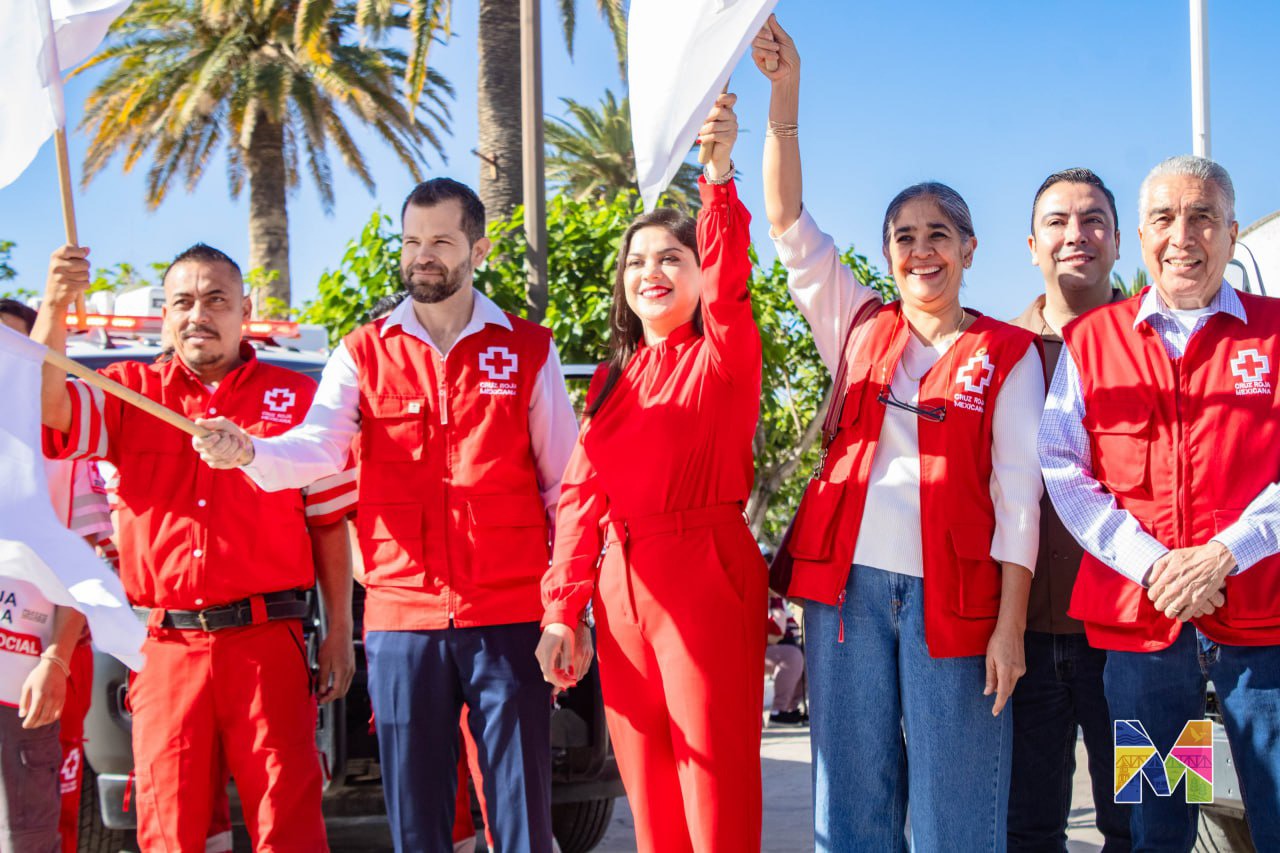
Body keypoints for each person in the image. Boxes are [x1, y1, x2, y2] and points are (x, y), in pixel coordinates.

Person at [193, 178, 580, 853]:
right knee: (417, 824)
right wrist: (250, 449)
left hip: (510, 617)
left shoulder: (527, 349)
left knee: (522, 821)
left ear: (478, 248)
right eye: (411, 241)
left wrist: (565, 611)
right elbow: (317, 446)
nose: (421, 256)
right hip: (402, 621)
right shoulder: (362, 350)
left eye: (440, 241)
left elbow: (566, 488)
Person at [753, 18, 1044, 852]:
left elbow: (1017, 496)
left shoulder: (1008, 353)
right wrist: (785, 98)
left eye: (938, 235)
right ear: (887, 254)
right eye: (904, 237)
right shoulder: (856, 322)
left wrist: (1010, 624)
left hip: (959, 602)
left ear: (970, 249)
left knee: (957, 806)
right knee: (853, 803)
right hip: (844, 594)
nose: (921, 250)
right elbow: (787, 224)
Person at [33, 243, 357, 851]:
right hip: (165, 647)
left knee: (286, 823)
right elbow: (50, 407)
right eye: (182, 301)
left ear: (245, 310)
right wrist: (54, 303)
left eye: (215, 300)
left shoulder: (298, 399)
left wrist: (339, 628)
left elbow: (328, 521)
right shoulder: (128, 391)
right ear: (165, 316)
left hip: (269, 642)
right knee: (170, 826)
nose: (197, 314)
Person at [535, 94, 767, 853]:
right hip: (621, 588)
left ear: (700, 273)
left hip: (705, 570)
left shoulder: (723, 355)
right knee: (651, 793)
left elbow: (732, 281)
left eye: (671, 257)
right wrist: (563, 611)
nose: (651, 272)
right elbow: (577, 502)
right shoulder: (607, 383)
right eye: (636, 262)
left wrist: (719, 176)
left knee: (715, 786)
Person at [1040, 155, 1280, 852]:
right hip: (1145, 641)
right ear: (1140, 238)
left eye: (1202, 216)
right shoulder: (1093, 341)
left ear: (1231, 233)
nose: (1184, 235)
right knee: (1158, 824)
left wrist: (1226, 553)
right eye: (1166, 219)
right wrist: (1153, 566)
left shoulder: (1274, 332)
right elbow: (1063, 467)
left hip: (1262, 634)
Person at [1007, 170, 1131, 852]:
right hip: (1021, 644)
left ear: (1118, 240)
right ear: (1032, 244)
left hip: (1146, 646)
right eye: (1057, 221)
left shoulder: (1164, 343)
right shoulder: (994, 353)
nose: (1075, 235)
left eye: (1093, 220)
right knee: (1023, 829)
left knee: (1159, 816)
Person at [1, 298, 115, 853]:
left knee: (43, 828)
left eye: (17, 350)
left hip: (43, 669)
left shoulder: (67, 452)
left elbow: (88, 562)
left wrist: (56, 658)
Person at [765, 592, 806, 726]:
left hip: (783, 647)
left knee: (806, 659)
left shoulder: (779, 600)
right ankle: (778, 710)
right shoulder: (771, 598)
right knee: (792, 655)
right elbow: (777, 631)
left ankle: (791, 707)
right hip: (763, 650)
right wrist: (776, 597)